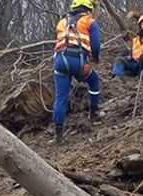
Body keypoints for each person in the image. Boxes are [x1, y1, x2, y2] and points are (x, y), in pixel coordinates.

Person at [50, 0, 102, 145]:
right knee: (94, 81)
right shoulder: (90, 21)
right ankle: (93, 114)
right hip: (77, 60)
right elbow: (96, 45)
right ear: (88, 9)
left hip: (60, 60)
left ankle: (58, 136)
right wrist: (95, 59)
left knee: (61, 98)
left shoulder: (62, 22)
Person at [111, 15, 143, 79]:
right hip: (135, 64)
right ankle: (117, 77)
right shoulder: (134, 40)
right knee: (120, 60)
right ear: (140, 26)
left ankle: (141, 76)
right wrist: (128, 57)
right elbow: (131, 54)